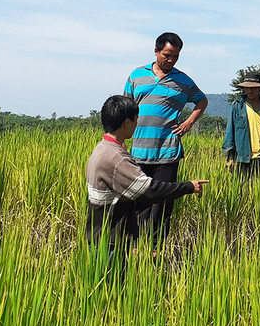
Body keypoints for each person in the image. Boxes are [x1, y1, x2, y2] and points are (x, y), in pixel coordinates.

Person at [86, 95, 207, 277]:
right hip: (109, 240)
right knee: (113, 291)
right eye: (136, 120)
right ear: (127, 123)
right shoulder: (116, 158)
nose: (137, 125)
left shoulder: (102, 149)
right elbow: (149, 191)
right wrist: (189, 187)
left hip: (101, 235)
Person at [123, 32, 208, 244]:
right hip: (139, 152)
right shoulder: (136, 76)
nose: (170, 60)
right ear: (156, 51)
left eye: (175, 57)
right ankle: (136, 247)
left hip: (167, 152)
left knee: (162, 204)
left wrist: (188, 123)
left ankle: (155, 250)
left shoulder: (183, 81)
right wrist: (121, 144)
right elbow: (124, 109)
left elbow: (202, 101)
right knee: (140, 200)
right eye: (167, 55)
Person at [222, 75, 260, 180]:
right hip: (242, 158)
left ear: (259, 88)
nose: (249, 90)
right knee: (241, 192)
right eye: (247, 88)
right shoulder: (238, 106)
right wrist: (230, 157)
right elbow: (230, 132)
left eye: (252, 88)